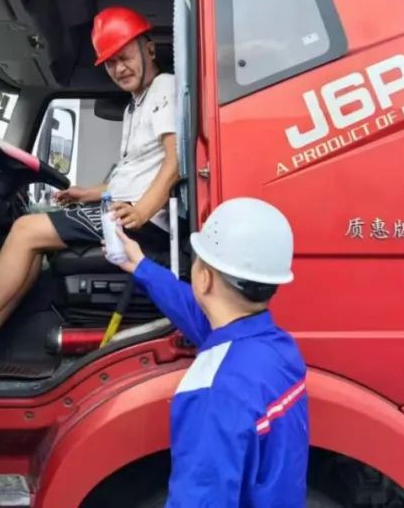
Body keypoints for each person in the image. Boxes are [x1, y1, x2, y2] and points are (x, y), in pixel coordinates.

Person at [0, 6, 179, 373]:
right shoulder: (137, 105)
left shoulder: (165, 87)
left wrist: (142, 211)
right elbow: (134, 173)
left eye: (125, 57)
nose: (119, 69)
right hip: (123, 210)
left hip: (139, 222)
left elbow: (175, 161)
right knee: (31, 244)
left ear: (149, 48)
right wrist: (88, 193)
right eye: (110, 63)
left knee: (25, 230)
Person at [108, 197, 309, 507]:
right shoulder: (278, 350)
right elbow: (198, 313)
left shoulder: (213, 392)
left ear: (203, 279)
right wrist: (141, 267)